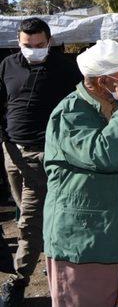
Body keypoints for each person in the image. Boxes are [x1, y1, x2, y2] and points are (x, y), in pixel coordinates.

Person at [43, 40, 118, 306]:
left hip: (102, 236)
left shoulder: (104, 108)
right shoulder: (70, 113)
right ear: (104, 82)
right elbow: (105, 155)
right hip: (79, 242)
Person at [0, 18, 82, 305]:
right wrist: (4, 139)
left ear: (50, 41)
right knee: (26, 210)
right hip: (12, 153)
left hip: (47, 154)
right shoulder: (8, 65)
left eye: (39, 45)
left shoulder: (65, 68)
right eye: (27, 45)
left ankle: (19, 280)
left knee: (30, 219)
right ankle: (53, 266)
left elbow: (80, 104)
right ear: (18, 42)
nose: (33, 50)